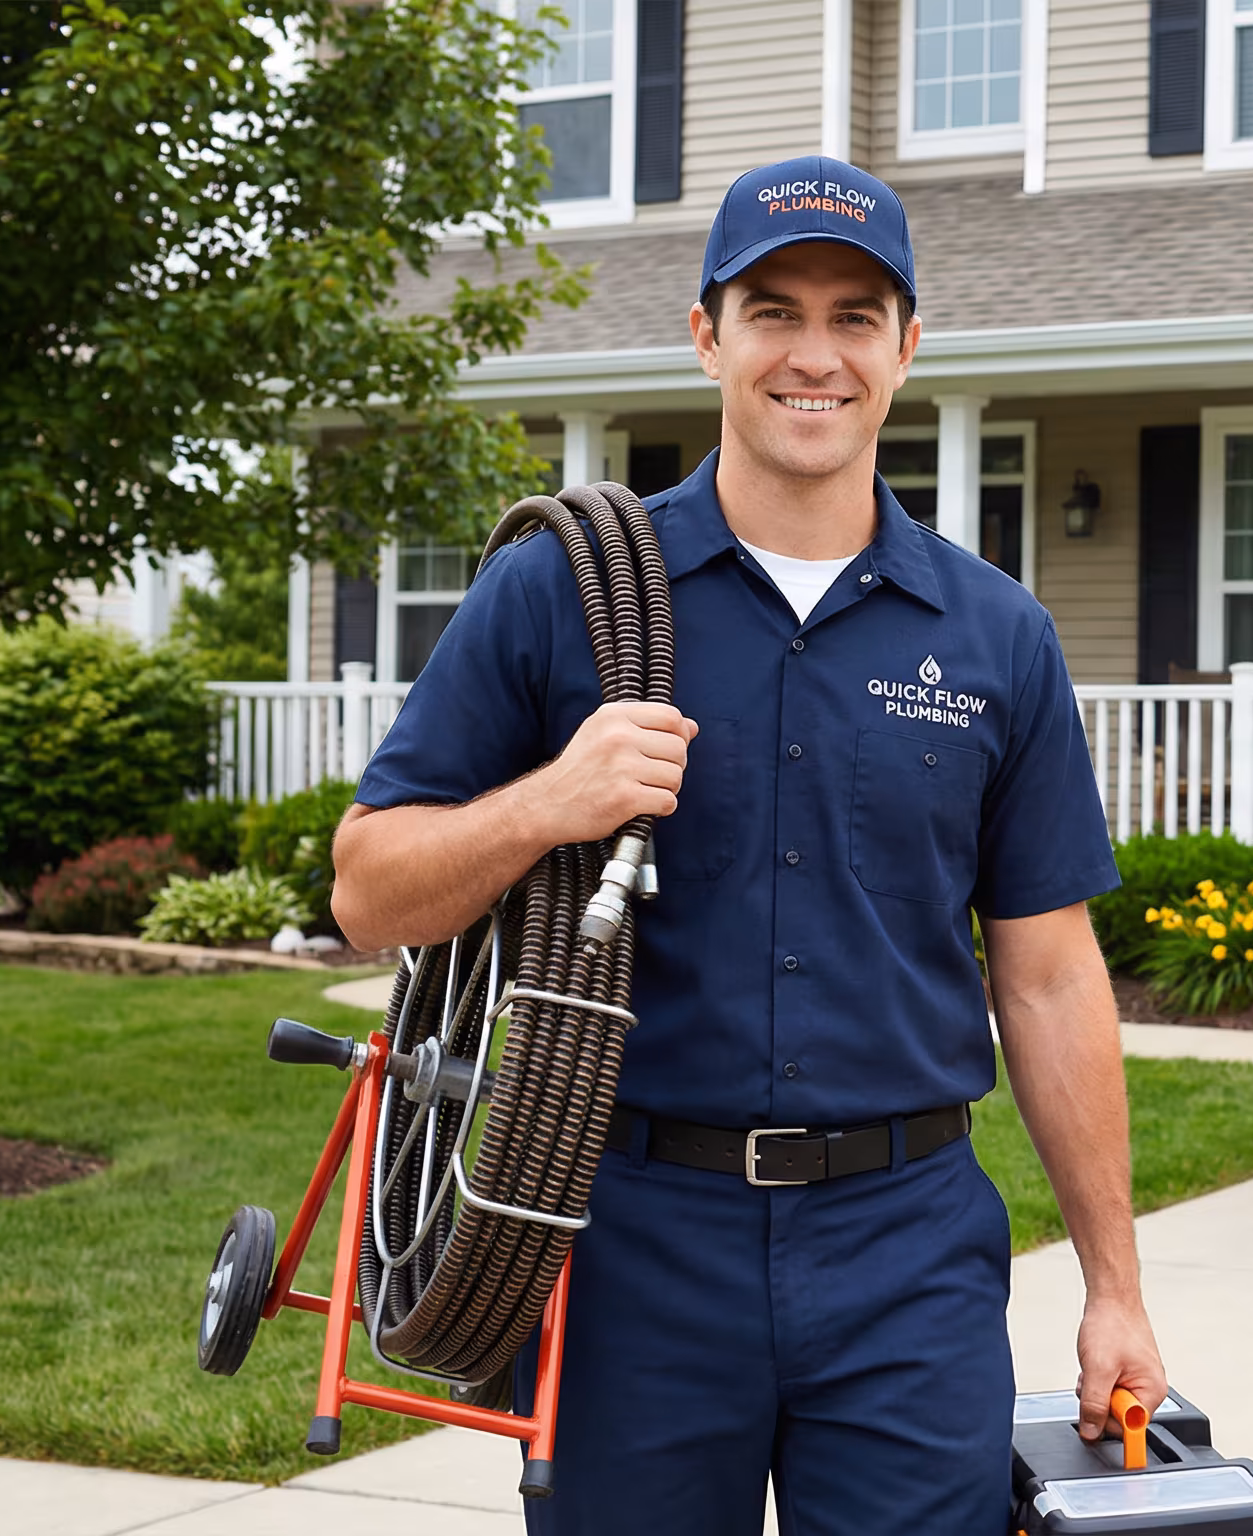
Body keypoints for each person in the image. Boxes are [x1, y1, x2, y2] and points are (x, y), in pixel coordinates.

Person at [331, 154, 1163, 1535]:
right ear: (707, 335)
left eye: (854, 317)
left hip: (906, 1251)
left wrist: (1114, 1288)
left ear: (907, 346)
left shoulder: (996, 635)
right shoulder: (561, 593)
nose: (814, 355)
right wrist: (549, 800)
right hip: (632, 1242)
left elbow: (1050, 977)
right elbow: (368, 890)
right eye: (773, 311)